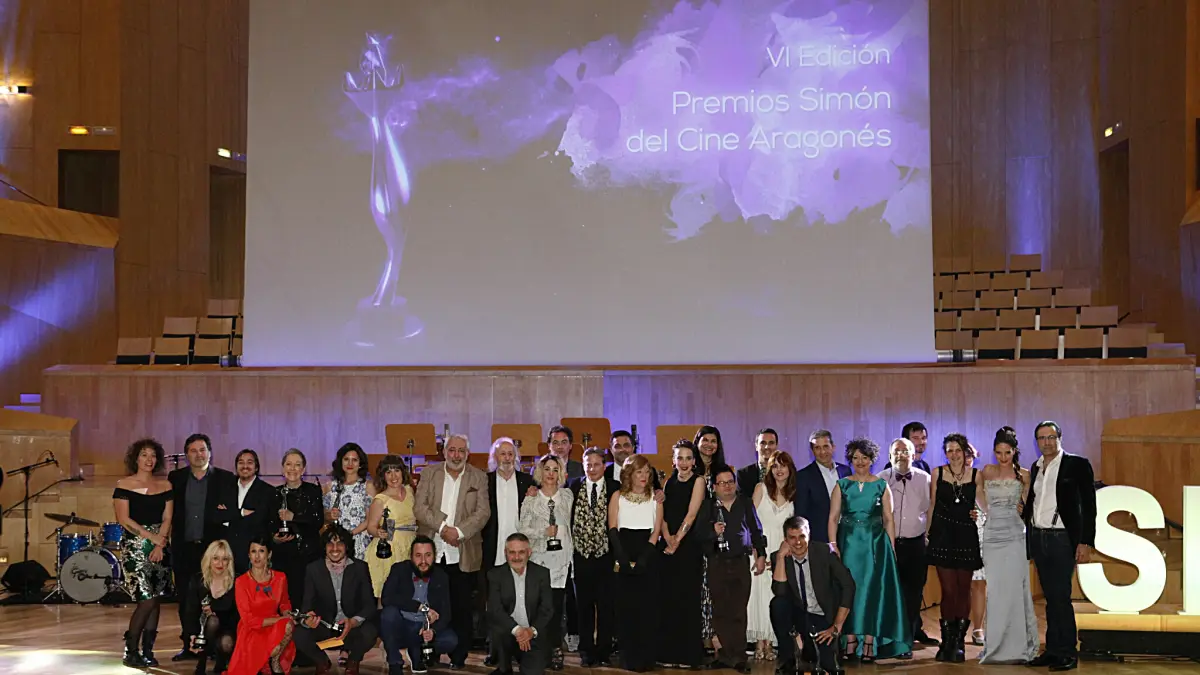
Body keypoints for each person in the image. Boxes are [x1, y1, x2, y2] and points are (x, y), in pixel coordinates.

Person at [1022, 421, 1096, 672]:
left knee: (1061, 597)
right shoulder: (1036, 467)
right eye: (1042, 438)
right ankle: (1053, 650)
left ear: (1060, 438)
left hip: (1062, 538)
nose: (1047, 442)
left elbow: (1089, 506)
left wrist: (1085, 541)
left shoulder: (1077, 465)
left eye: (1051, 437)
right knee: (1050, 598)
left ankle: (1067, 652)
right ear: (1037, 442)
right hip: (1039, 537)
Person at [828, 438, 911, 661]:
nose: (860, 462)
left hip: (875, 545)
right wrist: (833, 545)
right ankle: (850, 639)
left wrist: (891, 548)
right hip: (848, 545)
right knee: (850, 590)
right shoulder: (842, 485)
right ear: (850, 460)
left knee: (871, 591)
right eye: (855, 458)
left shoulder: (881, 485)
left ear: (871, 460)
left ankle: (869, 641)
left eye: (864, 458)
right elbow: (833, 517)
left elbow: (888, 519)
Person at [414, 432, 491, 669]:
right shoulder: (429, 473)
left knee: (461, 609)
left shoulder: (478, 477)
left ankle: (459, 656)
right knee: (429, 606)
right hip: (431, 552)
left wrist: (458, 532)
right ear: (444, 452)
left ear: (468, 453)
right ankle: (430, 653)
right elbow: (419, 507)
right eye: (452, 450)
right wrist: (442, 528)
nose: (456, 455)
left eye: (461, 451)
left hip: (463, 552)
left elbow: (483, 513)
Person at [169, 433, 236, 661]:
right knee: (186, 600)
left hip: (212, 551)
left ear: (210, 452)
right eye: (193, 451)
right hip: (184, 548)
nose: (199, 454)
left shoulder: (225, 478)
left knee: (215, 599)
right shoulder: (175, 478)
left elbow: (230, 511)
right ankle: (189, 645)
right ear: (186, 455)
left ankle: (215, 646)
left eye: (202, 450)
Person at [975, 426, 1039, 665]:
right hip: (992, 534)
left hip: (1014, 534)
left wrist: (1022, 508)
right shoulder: (986, 471)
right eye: (998, 452)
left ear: (1014, 451)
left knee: (1015, 589)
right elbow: (978, 497)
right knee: (996, 590)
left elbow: (1029, 507)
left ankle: (1019, 646)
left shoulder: (1024, 475)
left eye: (1007, 452)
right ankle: (996, 645)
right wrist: (984, 512)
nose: (1003, 457)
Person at [113, 438, 175, 668]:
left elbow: (168, 517)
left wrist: (160, 544)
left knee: (156, 599)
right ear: (135, 458)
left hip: (160, 547)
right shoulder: (124, 484)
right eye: (144, 454)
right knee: (146, 600)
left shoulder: (165, 485)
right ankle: (131, 651)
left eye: (153, 455)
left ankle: (148, 650)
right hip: (136, 547)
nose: (149, 459)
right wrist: (152, 538)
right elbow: (123, 519)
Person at [925, 433, 983, 662]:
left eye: (958, 450)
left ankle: (959, 643)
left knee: (963, 589)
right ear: (945, 453)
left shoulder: (976, 475)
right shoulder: (937, 473)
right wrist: (928, 533)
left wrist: (980, 514)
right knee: (948, 591)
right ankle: (946, 641)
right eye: (949, 450)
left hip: (966, 536)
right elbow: (931, 504)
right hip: (942, 535)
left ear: (965, 452)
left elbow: (984, 504)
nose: (954, 454)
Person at [770, 516, 853, 675]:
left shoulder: (824, 552)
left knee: (829, 664)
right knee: (778, 604)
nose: (798, 542)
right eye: (792, 538)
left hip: (821, 616)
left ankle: (807, 652)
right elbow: (780, 591)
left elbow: (848, 585)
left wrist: (837, 626)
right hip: (798, 616)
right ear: (785, 540)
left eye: (802, 536)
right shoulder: (778, 557)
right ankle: (789, 657)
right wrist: (780, 558)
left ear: (809, 535)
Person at [705, 465, 767, 673]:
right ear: (715, 487)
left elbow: (756, 530)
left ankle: (739, 656)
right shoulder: (708, 506)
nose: (727, 486)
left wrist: (761, 554)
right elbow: (698, 534)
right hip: (717, 562)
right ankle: (724, 655)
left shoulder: (745, 503)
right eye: (722, 483)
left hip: (740, 562)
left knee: (739, 610)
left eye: (730, 482)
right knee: (721, 610)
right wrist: (712, 532)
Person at [294, 523, 380, 675]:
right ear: (324, 547)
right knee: (299, 634)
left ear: (346, 546)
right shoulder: (313, 569)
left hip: (352, 627)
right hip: (325, 625)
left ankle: (354, 660)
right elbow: (306, 606)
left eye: (340, 543)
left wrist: (353, 622)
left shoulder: (360, 567)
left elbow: (369, 605)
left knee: (371, 631)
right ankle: (322, 661)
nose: (335, 548)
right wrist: (307, 620)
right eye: (330, 544)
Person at [483, 437, 538, 668]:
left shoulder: (527, 482)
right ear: (494, 457)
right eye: (502, 454)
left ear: (515, 457)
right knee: (495, 604)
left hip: (520, 552)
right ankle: (495, 650)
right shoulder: (485, 481)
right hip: (493, 550)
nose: (506, 458)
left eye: (510, 454)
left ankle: (523, 647)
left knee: (520, 600)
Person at [876, 438, 934, 655]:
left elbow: (929, 509)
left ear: (914, 455)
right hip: (889, 544)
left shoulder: (925, 479)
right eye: (897, 451)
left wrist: (927, 537)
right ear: (890, 456)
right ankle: (890, 639)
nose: (901, 455)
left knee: (913, 594)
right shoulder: (880, 479)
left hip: (915, 544)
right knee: (891, 594)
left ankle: (907, 640)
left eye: (906, 451)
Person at [607, 455, 663, 672]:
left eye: (647, 472)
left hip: (647, 556)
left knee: (647, 609)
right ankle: (628, 657)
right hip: (623, 553)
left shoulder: (655, 498)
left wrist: (644, 558)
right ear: (629, 473)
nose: (644, 476)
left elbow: (656, 531)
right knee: (626, 609)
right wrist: (622, 557)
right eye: (639, 471)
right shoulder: (618, 496)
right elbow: (613, 527)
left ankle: (647, 657)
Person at [519, 454, 575, 670]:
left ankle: (555, 649)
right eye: (547, 469)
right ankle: (538, 650)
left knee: (556, 609)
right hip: (539, 561)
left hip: (561, 562)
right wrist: (543, 532)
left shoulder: (567, 496)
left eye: (555, 469)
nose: (551, 474)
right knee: (539, 609)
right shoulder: (531, 499)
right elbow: (522, 529)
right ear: (540, 472)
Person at [657, 440, 709, 669]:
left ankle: (688, 655)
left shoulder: (699, 481)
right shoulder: (669, 482)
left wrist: (677, 540)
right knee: (669, 599)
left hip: (689, 547)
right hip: (668, 546)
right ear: (674, 461)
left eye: (688, 458)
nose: (684, 462)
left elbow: (691, 514)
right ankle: (669, 653)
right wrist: (667, 537)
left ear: (694, 461)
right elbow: (662, 514)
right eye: (680, 458)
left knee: (688, 600)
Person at [566, 447, 621, 667]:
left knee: (606, 606)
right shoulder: (573, 485)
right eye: (588, 464)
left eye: (597, 464)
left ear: (604, 466)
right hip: (581, 556)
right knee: (584, 606)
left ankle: (604, 650)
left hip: (606, 555)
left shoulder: (615, 487)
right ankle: (587, 650)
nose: (592, 468)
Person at [380, 536, 458, 675]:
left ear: (434, 556)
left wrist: (433, 630)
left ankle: (416, 653)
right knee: (388, 614)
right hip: (402, 624)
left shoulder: (441, 576)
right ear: (411, 556)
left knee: (450, 640)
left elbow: (446, 612)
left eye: (428, 555)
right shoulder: (399, 569)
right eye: (418, 555)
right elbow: (387, 598)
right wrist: (420, 607)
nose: (423, 561)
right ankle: (394, 661)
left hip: (423, 628)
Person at [748, 450, 796, 661]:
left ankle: (771, 644)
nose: (779, 470)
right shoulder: (761, 489)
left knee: (774, 596)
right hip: (760, 550)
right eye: (774, 466)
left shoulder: (795, 494)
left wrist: (784, 553)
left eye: (783, 465)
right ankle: (760, 642)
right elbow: (750, 523)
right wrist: (758, 551)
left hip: (782, 553)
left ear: (790, 469)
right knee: (758, 596)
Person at [226, 536, 296, 675]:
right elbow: (248, 620)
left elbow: (284, 603)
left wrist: (288, 614)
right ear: (249, 555)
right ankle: (262, 663)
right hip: (252, 629)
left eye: (261, 551)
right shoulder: (241, 582)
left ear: (269, 554)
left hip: (274, 627)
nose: (257, 556)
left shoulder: (280, 577)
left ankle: (274, 660)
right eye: (253, 551)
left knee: (288, 625)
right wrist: (279, 619)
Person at [487, 533, 555, 675]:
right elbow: (495, 609)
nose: (516, 557)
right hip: (507, 633)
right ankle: (504, 665)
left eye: (521, 552)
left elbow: (547, 609)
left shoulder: (542, 574)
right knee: (498, 628)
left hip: (533, 634)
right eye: (512, 552)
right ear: (505, 553)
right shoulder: (495, 575)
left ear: (529, 552)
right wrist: (518, 630)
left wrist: (530, 631)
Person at [270, 449, 324, 609]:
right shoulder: (274, 493)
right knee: (285, 600)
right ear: (282, 468)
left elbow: (317, 521)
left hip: (308, 555)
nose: (292, 468)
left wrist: (293, 517)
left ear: (303, 469)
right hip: (283, 556)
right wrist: (274, 538)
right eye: (289, 464)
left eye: (297, 465)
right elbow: (269, 523)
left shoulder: (313, 491)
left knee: (307, 600)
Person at [366, 455, 418, 597]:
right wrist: (378, 532)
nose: (393, 476)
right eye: (388, 472)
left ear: (403, 472)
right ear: (383, 476)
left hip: (410, 545)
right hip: (390, 549)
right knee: (386, 593)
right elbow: (371, 527)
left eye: (396, 470)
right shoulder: (380, 500)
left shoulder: (409, 491)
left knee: (409, 592)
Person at [185, 539, 239, 675]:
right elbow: (191, 611)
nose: (220, 563)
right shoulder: (198, 580)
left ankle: (221, 664)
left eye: (224, 559)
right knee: (212, 621)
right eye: (215, 558)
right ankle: (201, 662)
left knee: (226, 642)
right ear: (209, 559)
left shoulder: (236, 582)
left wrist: (213, 607)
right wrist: (192, 635)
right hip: (204, 627)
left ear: (229, 561)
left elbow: (233, 612)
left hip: (228, 626)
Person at [793, 430, 851, 544]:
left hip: (847, 536)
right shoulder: (803, 476)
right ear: (812, 451)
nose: (822, 451)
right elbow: (801, 513)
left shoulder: (845, 471)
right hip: (819, 539)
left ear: (833, 447)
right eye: (817, 448)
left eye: (825, 446)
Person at [323, 442, 376, 559]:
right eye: (346, 459)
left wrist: (348, 536)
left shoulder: (367, 486)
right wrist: (330, 516)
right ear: (340, 462)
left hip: (359, 542)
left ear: (360, 464)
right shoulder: (330, 486)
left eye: (354, 460)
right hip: (335, 544)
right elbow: (324, 516)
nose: (350, 463)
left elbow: (370, 519)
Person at [228, 449, 275, 574]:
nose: (245, 466)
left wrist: (229, 517)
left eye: (249, 462)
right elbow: (217, 516)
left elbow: (261, 521)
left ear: (256, 467)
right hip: (227, 555)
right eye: (241, 462)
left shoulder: (268, 492)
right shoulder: (225, 488)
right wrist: (241, 513)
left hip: (253, 557)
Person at [736, 428, 780, 497]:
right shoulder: (743, 474)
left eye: (771, 443)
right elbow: (743, 501)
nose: (767, 447)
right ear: (756, 446)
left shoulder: (784, 473)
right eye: (763, 443)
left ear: (776, 446)